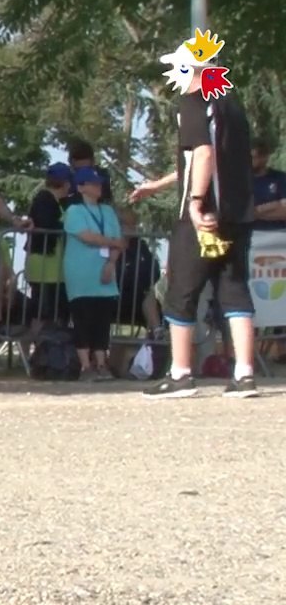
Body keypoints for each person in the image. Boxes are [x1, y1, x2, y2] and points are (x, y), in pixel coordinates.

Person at [130, 57, 259, 398]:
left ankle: (181, 374)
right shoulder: (231, 106)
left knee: (180, 292)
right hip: (236, 213)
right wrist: (160, 184)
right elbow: (215, 160)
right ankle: (245, 374)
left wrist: (196, 201)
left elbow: (202, 155)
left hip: (202, 216)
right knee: (235, 291)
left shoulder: (192, 102)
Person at [63, 167, 126, 380]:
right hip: (81, 273)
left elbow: (119, 240)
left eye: (98, 183)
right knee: (83, 318)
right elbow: (86, 236)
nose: (98, 187)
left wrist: (111, 263)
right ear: (80, 187)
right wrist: (112, 243)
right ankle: (85, 366)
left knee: (102, 320)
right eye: (92, 183)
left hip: (105, 273)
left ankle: (101, 363)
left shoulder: (108, 211)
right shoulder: (74, 211)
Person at [25, 163, 74, 328]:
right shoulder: (44, 199)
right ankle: (37, 348)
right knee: (41, 312)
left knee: (53, 312)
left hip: (53, 268)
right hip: (44, 266)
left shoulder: (56, 201)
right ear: (66, 183)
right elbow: (45, 223)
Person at [251, 138, 286, 232]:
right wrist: (276, 204)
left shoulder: (281, 178)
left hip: (280, 231)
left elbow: (284, 211)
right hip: (251, 232)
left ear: (264, 157)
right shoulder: (241, 181)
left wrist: (256, 211)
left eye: (253, 157)